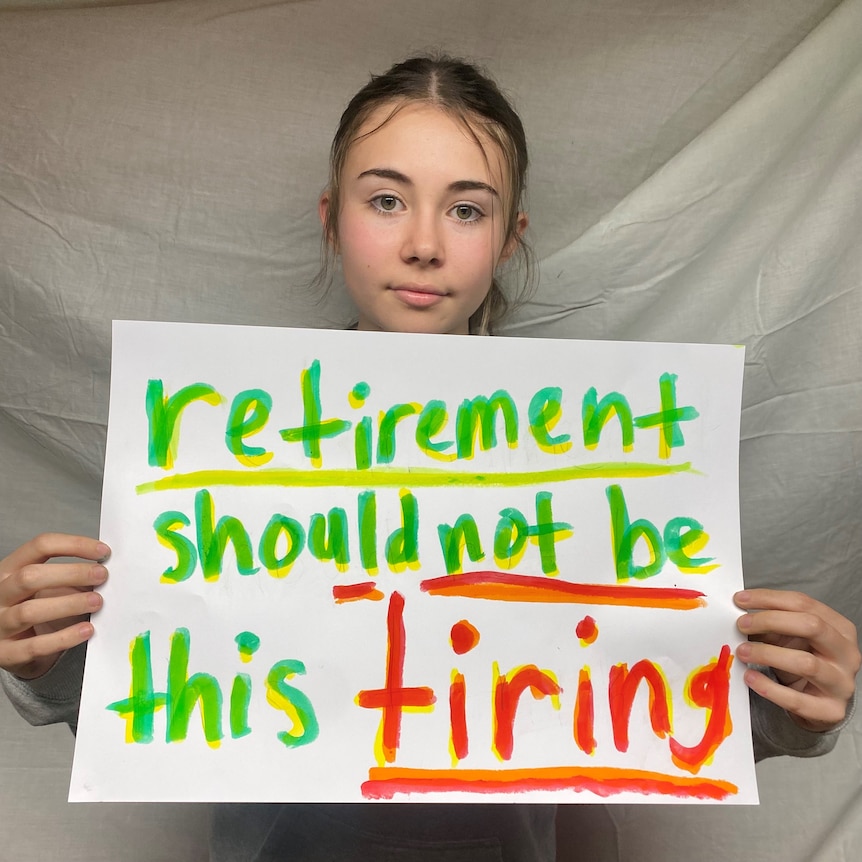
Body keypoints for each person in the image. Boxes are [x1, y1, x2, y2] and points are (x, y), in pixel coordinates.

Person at [0, 55, 858, 862]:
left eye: (466, 208)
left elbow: (644, 703)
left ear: (509, 237)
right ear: (332, 220)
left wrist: (794, 709)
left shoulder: (594, 467)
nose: (423, 243)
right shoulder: (227, 449)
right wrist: (44, 660)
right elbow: (171, 706)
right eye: (385, 200)